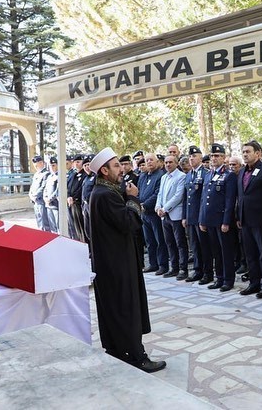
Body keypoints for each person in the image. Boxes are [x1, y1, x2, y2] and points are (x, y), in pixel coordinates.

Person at [88, 146, 165, 373]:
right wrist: (133, 199)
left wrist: (126, 195)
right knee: (125, 308)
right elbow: (128, 223)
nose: (121, 170)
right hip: (117, 263)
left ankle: (117, 350)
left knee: (115, 307)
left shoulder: (103, 191)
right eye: (115, 166)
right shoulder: (104, 195)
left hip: (112, 261)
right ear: (104, 170)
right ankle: (136, 356)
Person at [237, 140, 262, 299]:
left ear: (258, 153)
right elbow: (241, 196)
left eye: (248, 151)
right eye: (243, 152)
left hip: (261, 221)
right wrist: (238, 216)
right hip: (245, 220)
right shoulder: (241, 171)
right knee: (250, 254)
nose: (245, 154)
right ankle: (254, 283)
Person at [199, 143, 238, 291]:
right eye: (212, 156)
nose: (213, 158)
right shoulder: (209, 174)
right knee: (215, 251)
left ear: (223, 157)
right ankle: (219, 278)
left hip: (222, 220)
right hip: (209, 220)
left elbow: (229, 200)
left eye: (217, 156)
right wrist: (202, 219)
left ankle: (228, 280)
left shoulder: (229, 176)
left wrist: (226, 221)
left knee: (225, 251)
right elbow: (204, 199)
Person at [156, 155, 190, 280]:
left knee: (180, 242)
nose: (168, 164)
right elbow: (160, 194)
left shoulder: (181, 176)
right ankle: (174, 268)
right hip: (164, 216)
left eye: (170, 162)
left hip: (175, 214)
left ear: (176, 164)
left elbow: (178, 196)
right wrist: (158, 207)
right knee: (169, 242)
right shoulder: (164, 177)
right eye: (166, 162)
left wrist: (164, 209)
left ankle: (183, 269)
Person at [183, 146, 212, 283]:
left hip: (201, 216)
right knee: (194, 245)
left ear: (201, 157)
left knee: (204, 246)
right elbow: (186, 197)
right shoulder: (189, 175)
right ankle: (197, 270)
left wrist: (204, 217)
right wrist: (184, 216)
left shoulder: (206, 173)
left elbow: (205, 197)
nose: (191, 158)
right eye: (190, 157)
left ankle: (207, 273)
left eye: (194, 156)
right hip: (190, 216)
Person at [139, 153, 168, 274]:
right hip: (144, 214)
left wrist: (145, 205)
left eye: (152, 160)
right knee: (149, 240)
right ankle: (153, 263)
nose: (149, 162)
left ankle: (163, 265)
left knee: (159, 240)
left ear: (157, 162)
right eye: (147, 160)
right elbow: (138, 191)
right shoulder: (143, 176)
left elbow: (157, 194)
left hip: (154, 212)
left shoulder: (160, 176)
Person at [67, 155, 87, 241]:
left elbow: (81, 189)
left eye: (78, 162)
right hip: (70, 203)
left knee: (80, 228)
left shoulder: (85, 175)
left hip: (78, 204)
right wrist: (68, 196)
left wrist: (74, 198)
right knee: (73, 227)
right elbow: (67, 186)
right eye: (74, 162)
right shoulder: (73, 175)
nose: (76, 164)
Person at [28, 155, 50, 231]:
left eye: (37, 165)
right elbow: (32, 186)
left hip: (41, 201)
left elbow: (43, 187)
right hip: (35, 201)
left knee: (45, 222)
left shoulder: (46, 174)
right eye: (35, 165)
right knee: (39, 221)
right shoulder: (36, 174)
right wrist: (30, 195)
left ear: (41, 163)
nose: (36, 166)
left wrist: (35, 195)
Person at [43, 157, 60, 234]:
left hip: (55, 205)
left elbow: (58, 190)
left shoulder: (60, 176)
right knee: (52, 226)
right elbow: (45, 189)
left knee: (58, 226)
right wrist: (45, 198)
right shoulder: (49, 177)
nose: (52, 167)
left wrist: (50, 198)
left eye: (53, 165)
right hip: (48, 205)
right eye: (50, 166)